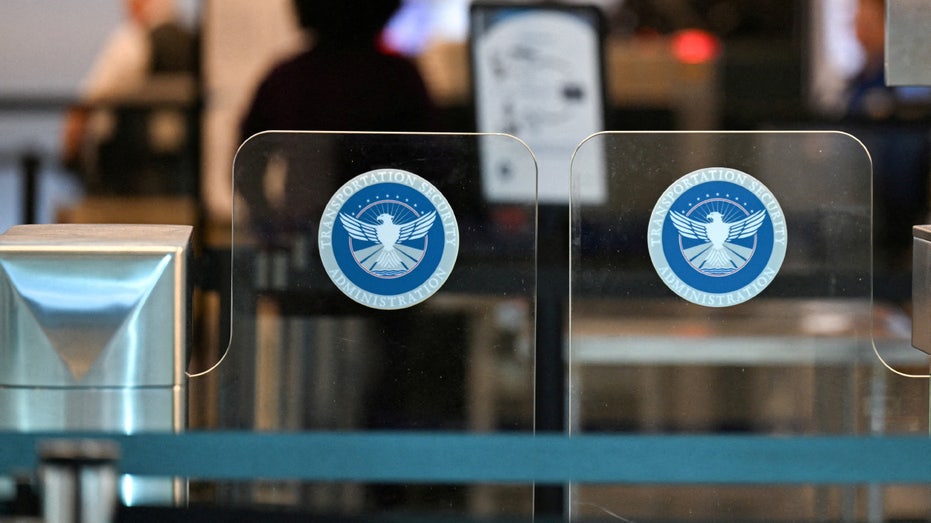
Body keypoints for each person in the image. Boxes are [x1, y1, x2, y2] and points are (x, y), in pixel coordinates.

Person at [239, 0, 438, 139]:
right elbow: (433, 157)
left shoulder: (287, 77)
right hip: (381, 189)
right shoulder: (397, 76)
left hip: (308, 190)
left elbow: (246, 163)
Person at [62, 0, 197, 194]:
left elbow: (93, 95)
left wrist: (71, 144)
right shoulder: (190, 41)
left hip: (129, 161)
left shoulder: (132, 40)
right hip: (178, 161)